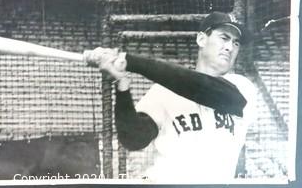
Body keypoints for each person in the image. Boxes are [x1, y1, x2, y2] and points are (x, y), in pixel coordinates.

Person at [84, 11, 257, 183]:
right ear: (201, 39)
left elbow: (202, 87)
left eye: (236, 43)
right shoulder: (163, 90)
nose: (230, 47)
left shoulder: (242, 88)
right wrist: (122, 85)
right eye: (224, 38)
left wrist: (130, 61)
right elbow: (134, 139)